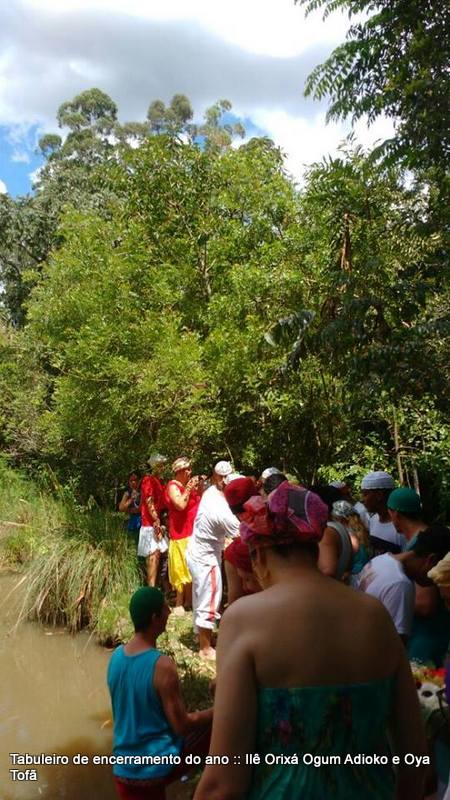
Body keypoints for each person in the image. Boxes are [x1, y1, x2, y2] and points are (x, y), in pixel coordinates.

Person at [194, 482, 427, 800]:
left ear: (258, 553)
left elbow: (224, 784)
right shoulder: (375, 616)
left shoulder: (243, 619)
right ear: (316, 544)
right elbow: (415, 759)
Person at [107, 587, 213, 800]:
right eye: (165, 608)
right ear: (155, 618)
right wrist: (217, 711)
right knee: (215, 729)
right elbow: (182, 726)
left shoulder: (116, 657)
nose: (170, 611)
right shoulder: (162, 666)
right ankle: (213, 786)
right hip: (155, 769)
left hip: (122, 769)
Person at [357, 525, 450, 645]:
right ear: (431, 559)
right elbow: (395, 644)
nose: (434, 582)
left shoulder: (380, 560)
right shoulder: (400, 584)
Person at [186, 461, 239, 660]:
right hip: (206, 557)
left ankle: (200, 636)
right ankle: (205, 648)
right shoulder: (221, 510)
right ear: (216, 477)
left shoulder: (211, 492)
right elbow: (241, 533)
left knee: (200, 596)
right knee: (210, 599)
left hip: (196, 551)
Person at [166, 457, 201, 615]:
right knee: (180, 567)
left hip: (191, 531)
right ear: (179, 471)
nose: (190, 472)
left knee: (190, 567)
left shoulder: (186, 486)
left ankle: (189, 601)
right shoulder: (173, 486)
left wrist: (197, 488)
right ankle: (179, 603)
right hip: (180, 533)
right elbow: (180, 505)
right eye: (187, 469)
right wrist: (188, 489)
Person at [138, 455, 168, 587]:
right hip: (150, 523)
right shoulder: (148, 480)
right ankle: (151, 588)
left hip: (157, 521)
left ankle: (157, 587)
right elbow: (149, 501)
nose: (162, 468)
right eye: (160, 465)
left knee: (158, 555)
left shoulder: (159, 481)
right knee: (153, 555)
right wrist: (156, 519)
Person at [360, 470, 407, 554]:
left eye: (365, 494)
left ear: (379, 495)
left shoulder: (402, 528)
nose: (362, 500)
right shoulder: (373, 520)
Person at [118, 471, 141, 546]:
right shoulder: (127, 493)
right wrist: (131, 499)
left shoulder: (143, 491)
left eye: (135, 480)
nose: (133, 482)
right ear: (129, 482)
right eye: (131, 480)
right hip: (132, 521)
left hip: (143, 521)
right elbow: (121, 508)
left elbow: (142, 508)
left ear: (139, 480)